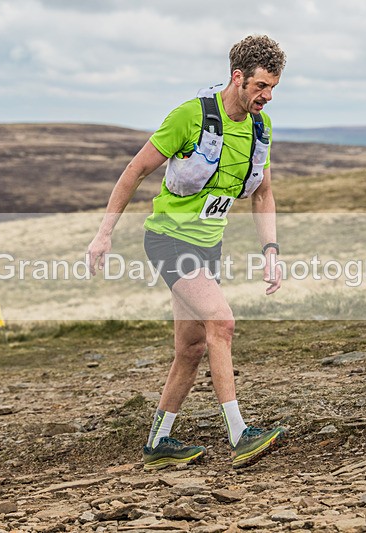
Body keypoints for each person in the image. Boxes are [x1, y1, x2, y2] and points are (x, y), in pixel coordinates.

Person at [86, 35, 286, 470]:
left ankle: (158, 442)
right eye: (260, 87)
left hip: (206, 246)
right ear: (238, 78)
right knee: (222, 321)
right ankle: (239, 433)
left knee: (192, 347)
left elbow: (263, 193)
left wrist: (270, 248)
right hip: (169, 240)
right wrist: (104, 235)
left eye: (273, 88)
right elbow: (135, 170)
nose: (267, 97)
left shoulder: (259, 129)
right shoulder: (189, 116)